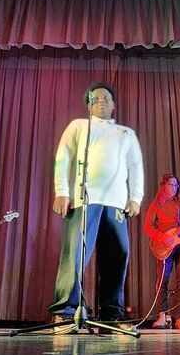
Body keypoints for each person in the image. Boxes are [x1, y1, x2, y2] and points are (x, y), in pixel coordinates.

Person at [49, 83, 144, 324]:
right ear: (88, 104)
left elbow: (135, 166)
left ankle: (111, 313)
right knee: (75, 256)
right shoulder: (79, 126)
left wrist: (135, 197)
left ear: (113, 105)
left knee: (117, 255)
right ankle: (65, 311)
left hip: (116, 204)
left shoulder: (125, 133)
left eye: (106, 98)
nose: (102, 101)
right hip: (84, 200)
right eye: (97, 98)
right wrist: (62, 191)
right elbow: (63, 157)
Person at [143, 174, 180, 330]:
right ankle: (161, 316)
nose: (173, 188)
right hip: (164, 246)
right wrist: (162, 237)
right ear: (163, 186)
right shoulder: (156, 205)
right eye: (170, 185)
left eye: (175, 185)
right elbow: (147, 227)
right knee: (163, 280)